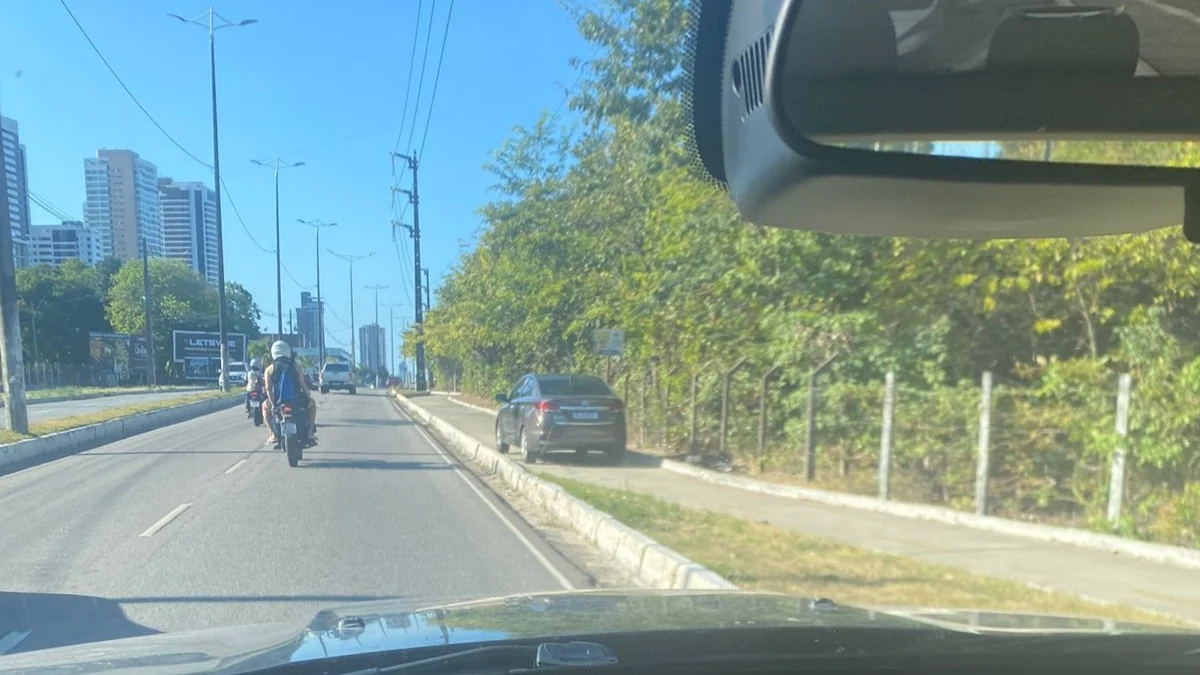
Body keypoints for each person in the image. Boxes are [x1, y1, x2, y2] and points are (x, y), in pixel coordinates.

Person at [263, 340, 317, 446]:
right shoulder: (296, 367)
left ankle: (273, 434)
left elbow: (268, 388)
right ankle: (310, 433)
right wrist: (307, 394)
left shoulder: (269, 369)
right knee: (312, 405)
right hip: (297, 401)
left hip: (278, 402)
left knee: (264, 407)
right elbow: (302, 384)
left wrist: (273, 404)